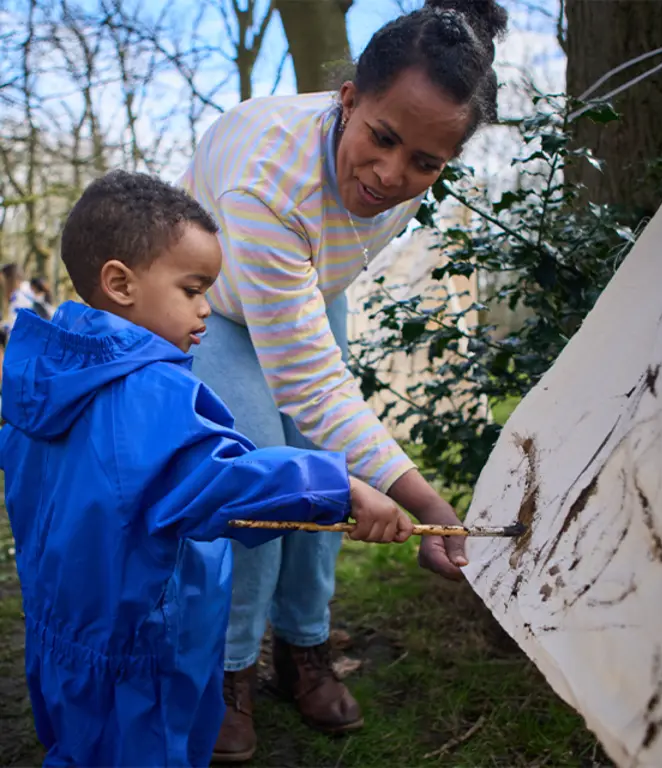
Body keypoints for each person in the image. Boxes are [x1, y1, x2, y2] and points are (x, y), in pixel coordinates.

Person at [178, 0, 509, 759]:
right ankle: (228, 669)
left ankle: (304, 644)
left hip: (305, 289)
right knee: (262, 473)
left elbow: (316, 367)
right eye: (382, 139)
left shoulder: (404, 163)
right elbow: (312, 389)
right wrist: (423, 500)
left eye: (425, 163)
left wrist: (368, 475)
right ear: (349, 99)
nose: (393, 175)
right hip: (221, 302)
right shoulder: (269, 179)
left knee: (327, 469)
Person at [0, 170, 414, 767]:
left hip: (60, 634)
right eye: (193, 289)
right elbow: (224, 482)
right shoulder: (151, 394)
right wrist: (340, 487)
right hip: (141, 645)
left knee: (77, 747)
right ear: (120, 283)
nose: (205, 309)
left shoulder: (45, 376)